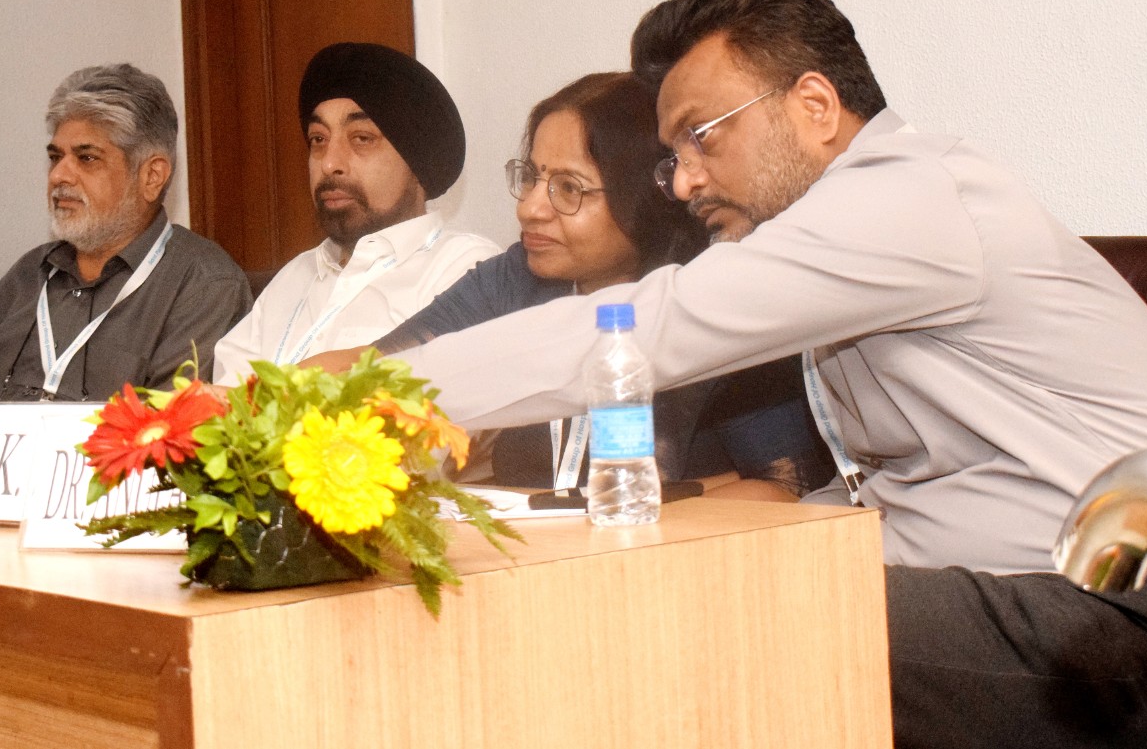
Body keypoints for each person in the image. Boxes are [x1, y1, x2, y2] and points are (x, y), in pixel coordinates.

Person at [398, 0, 1147, 747]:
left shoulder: (911, 196)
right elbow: (898, 496)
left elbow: (657, 323)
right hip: (1037, 591)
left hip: (1129, 611)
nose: (685, 180)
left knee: (700, 619)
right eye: (672, 155)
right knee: (652, 594)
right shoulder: (853, 239)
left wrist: (386, 389)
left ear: (816, 106)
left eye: (702, 135)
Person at [317, 71, 832, 499]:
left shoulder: (714, 296)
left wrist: (616, 521)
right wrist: (277, 400)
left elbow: (785, 486)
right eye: (531, 178)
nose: (529, 208)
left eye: (568, 188)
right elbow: (371, 368)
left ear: (646, 198)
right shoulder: (518, 277)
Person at [0, 63, 251, 402]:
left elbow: (172, 425)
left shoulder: (203, 286)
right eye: (55, 157)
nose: (59, 175)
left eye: (87, 158)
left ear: (152, 176)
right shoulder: (28, 275)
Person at [212, 42, 499, 383]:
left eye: (361, 138)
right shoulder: (295, 276)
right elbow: (223, 400)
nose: (329, 163)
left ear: (417, 164)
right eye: (318, 139)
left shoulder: (465, 268)